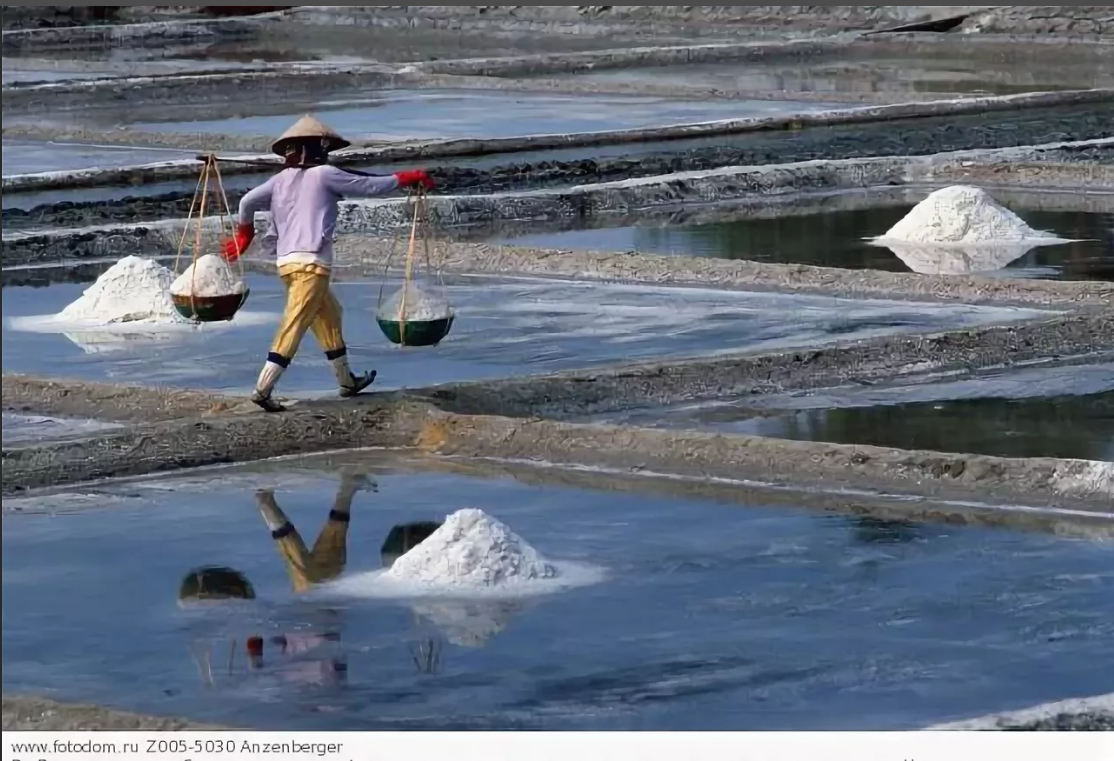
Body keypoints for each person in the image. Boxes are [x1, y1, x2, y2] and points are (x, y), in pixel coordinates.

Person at [223, 115, 434, 412]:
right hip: (311, 263)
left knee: (330, 314)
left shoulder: (279, 180)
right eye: (323, 149)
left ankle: (347, 380)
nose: (327, 154)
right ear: (315, 149)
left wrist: (244, 233)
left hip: (287, 263)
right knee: (295, 322)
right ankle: (263, 388)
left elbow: (246, 202)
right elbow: (368, 186)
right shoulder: (325, 174)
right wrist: (405, 178)